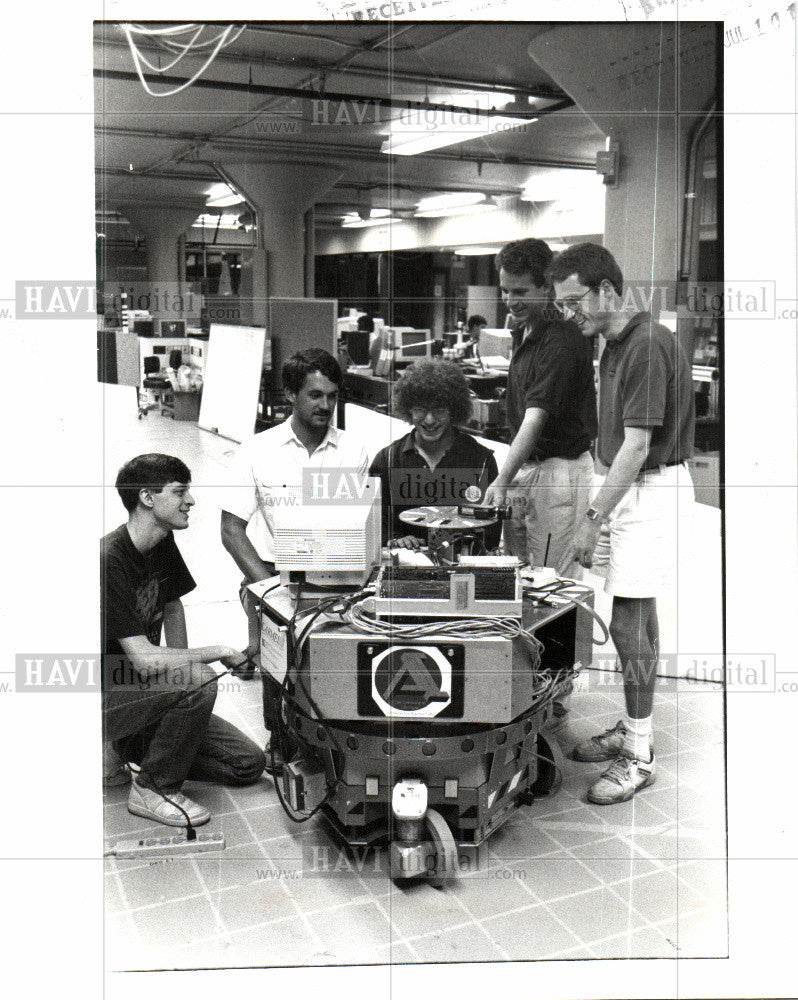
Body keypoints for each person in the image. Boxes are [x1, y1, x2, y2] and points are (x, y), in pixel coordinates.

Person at [548, 243, 696, 804]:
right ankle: (634, 730)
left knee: (630, 616)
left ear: (607, 289)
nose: (569, 314)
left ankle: (640, 754)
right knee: (633, 608)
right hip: (621, 484)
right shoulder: (611, 343)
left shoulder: (647, 345)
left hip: (647, 490)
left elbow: (638, 447)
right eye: (561, 306)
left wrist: (591, 519)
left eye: (573, 302)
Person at [220, 349, 369, 775]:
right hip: (271, 574)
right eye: (315, 395)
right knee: (277, 662)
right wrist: (268, 589)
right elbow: (231, 531)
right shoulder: (257, 450)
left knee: (335, 664)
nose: (325, 406)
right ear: (290, 395)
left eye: (332, 397)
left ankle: (336, 740)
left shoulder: (354, 450)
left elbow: (361, 526)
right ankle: (280, 737)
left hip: (337, 576)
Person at [102, 454, 266, 828]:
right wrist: (208, 661)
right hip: (104, 695)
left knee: (248, 765)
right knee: (196, 680)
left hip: (141, 690)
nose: (189, 500)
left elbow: (172, 605)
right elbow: (143, 660)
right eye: (180, 492)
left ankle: (132, 746)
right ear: (147, 497)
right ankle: (153, 788)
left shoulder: (161, 542)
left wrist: (184, 671)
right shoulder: (109, 560)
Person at [484, 238, 597, 576]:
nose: (510, 300)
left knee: (552, 579)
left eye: (520, 292)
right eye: (505, 291)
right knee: (518, 574)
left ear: (546, 286)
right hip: (527, 466)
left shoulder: (561, 338)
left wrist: (502, 477)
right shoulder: (524, 328)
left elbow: (535, 418)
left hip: (558, 471)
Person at [369, 360, 500, 550]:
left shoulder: (481, 461)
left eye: (439, 410)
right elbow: (375, 524)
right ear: (407, 409)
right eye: (420, 410)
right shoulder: (387, 460)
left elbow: (492, 536)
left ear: (454, 410)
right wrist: (396, 540)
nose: (429, 420)